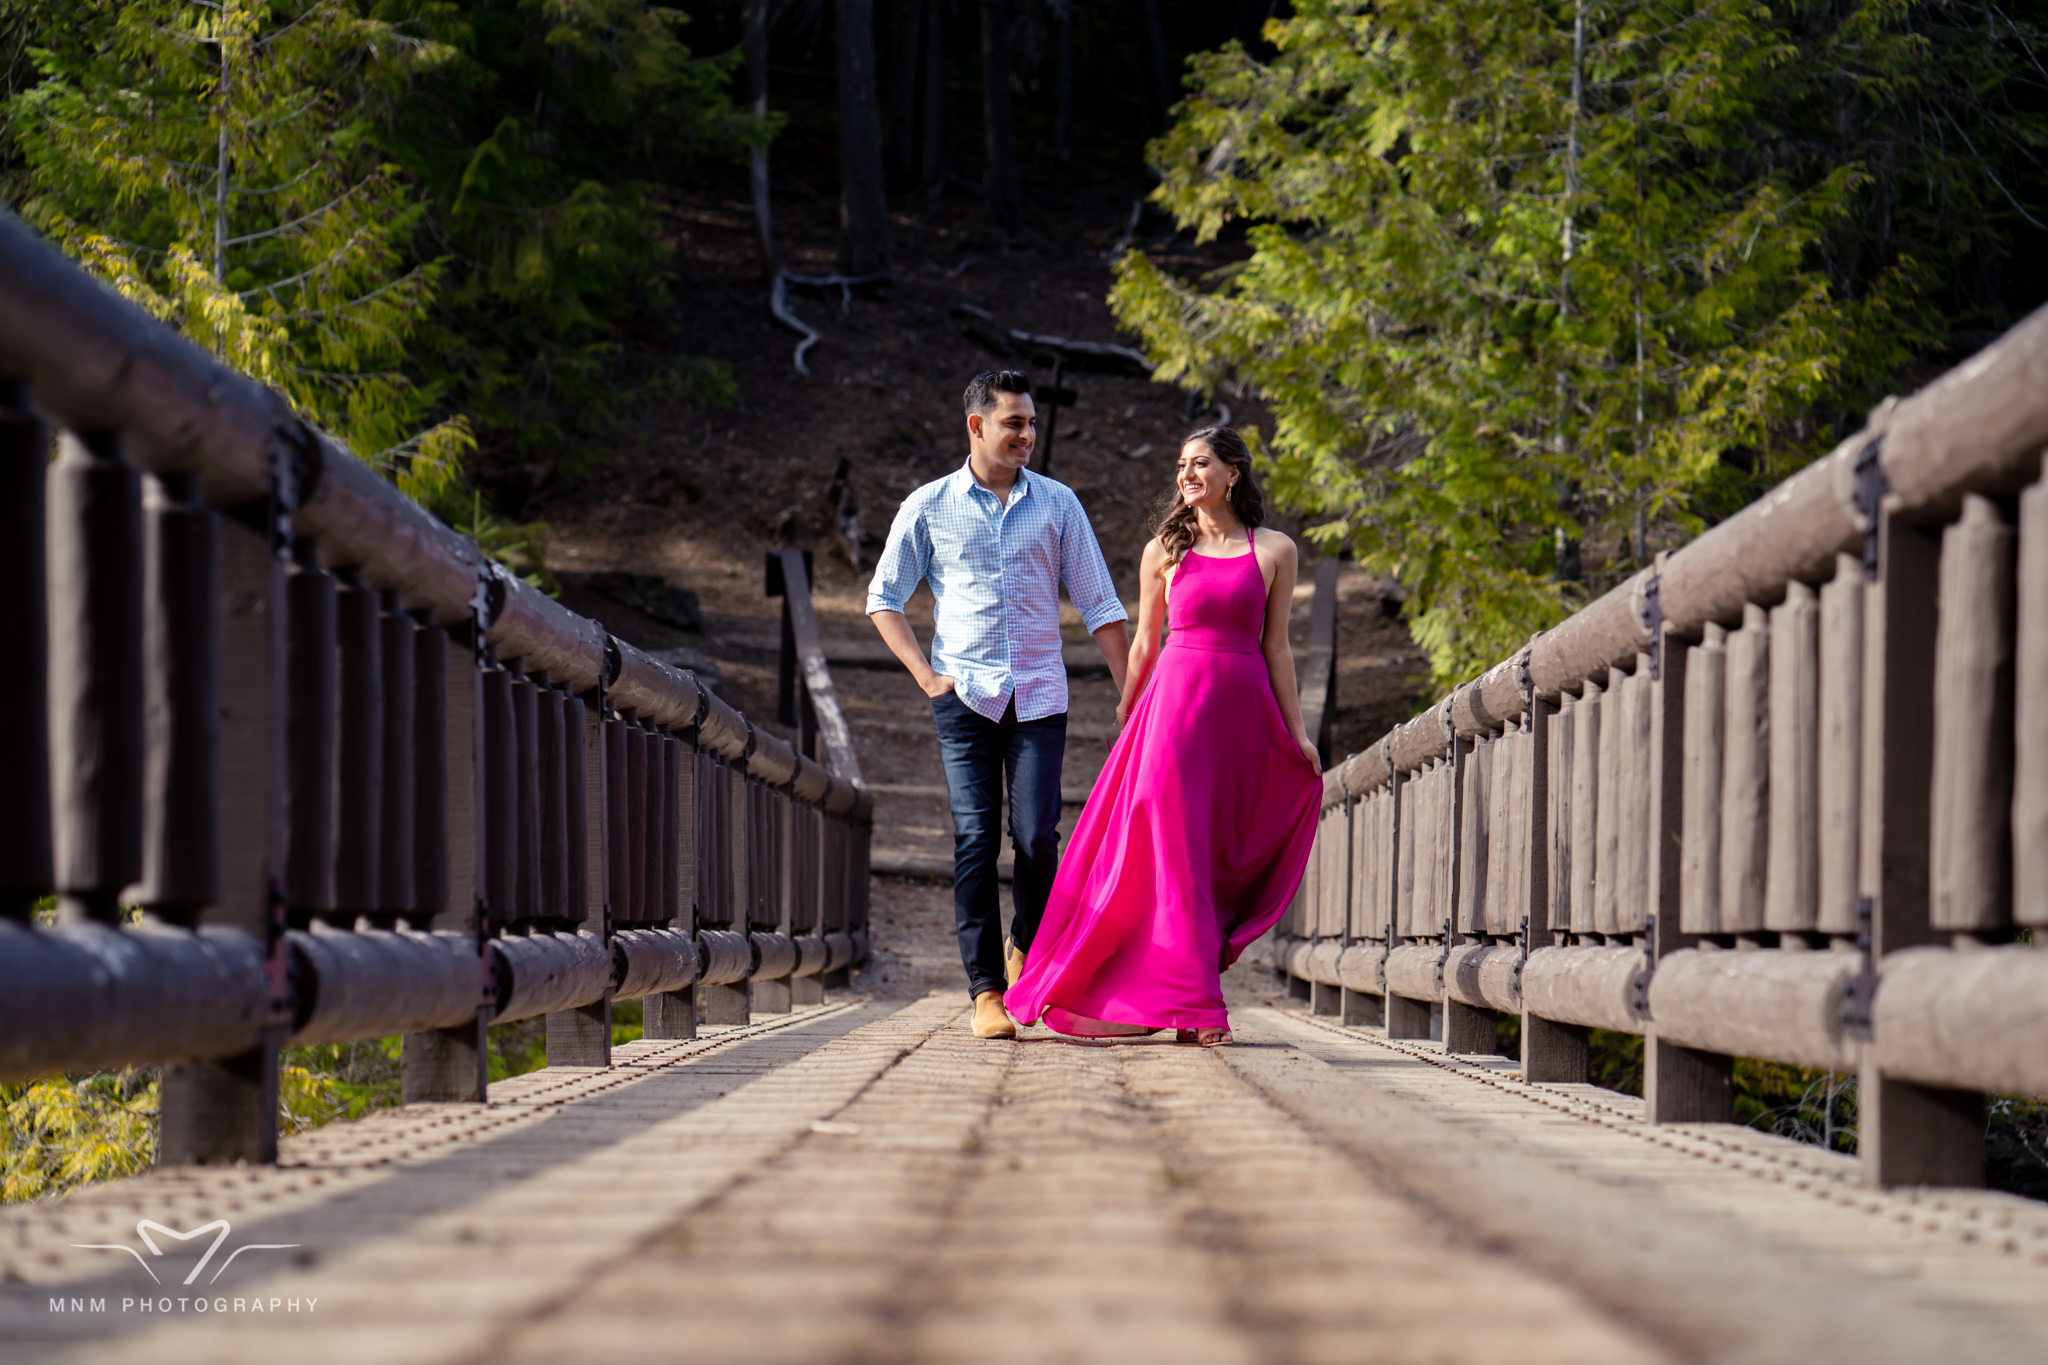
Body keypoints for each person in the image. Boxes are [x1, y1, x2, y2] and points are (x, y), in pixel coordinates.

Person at [1005, 425, 1322, 1047]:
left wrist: (1297, 732)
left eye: (1201, 464)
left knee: (1212, 856)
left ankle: (1184, 995)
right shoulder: (1163, 551)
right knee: (1175, 857)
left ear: (1234, 473)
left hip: (1240, 723)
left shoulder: (1275, 550)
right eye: (1182, 465)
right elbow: (1147, 642)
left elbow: (1277, 647)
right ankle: (1199, 1007)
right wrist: (1130, 714)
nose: (1188, 475)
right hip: (1172, 716)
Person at [867, 370, 1131, 1040]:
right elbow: (883, 598)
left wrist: (1131, 691)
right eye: (1015, 423)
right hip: (963, 697)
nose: (1027, 435)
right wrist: (926, 675)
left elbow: (1100, 603)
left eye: (1032, 423)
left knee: (1038, 839)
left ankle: (1024, 945)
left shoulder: (1059, 505)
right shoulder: (929, 506)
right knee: (975, 838)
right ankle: (986, 990)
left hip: (1039, 694)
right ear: (976, 426)